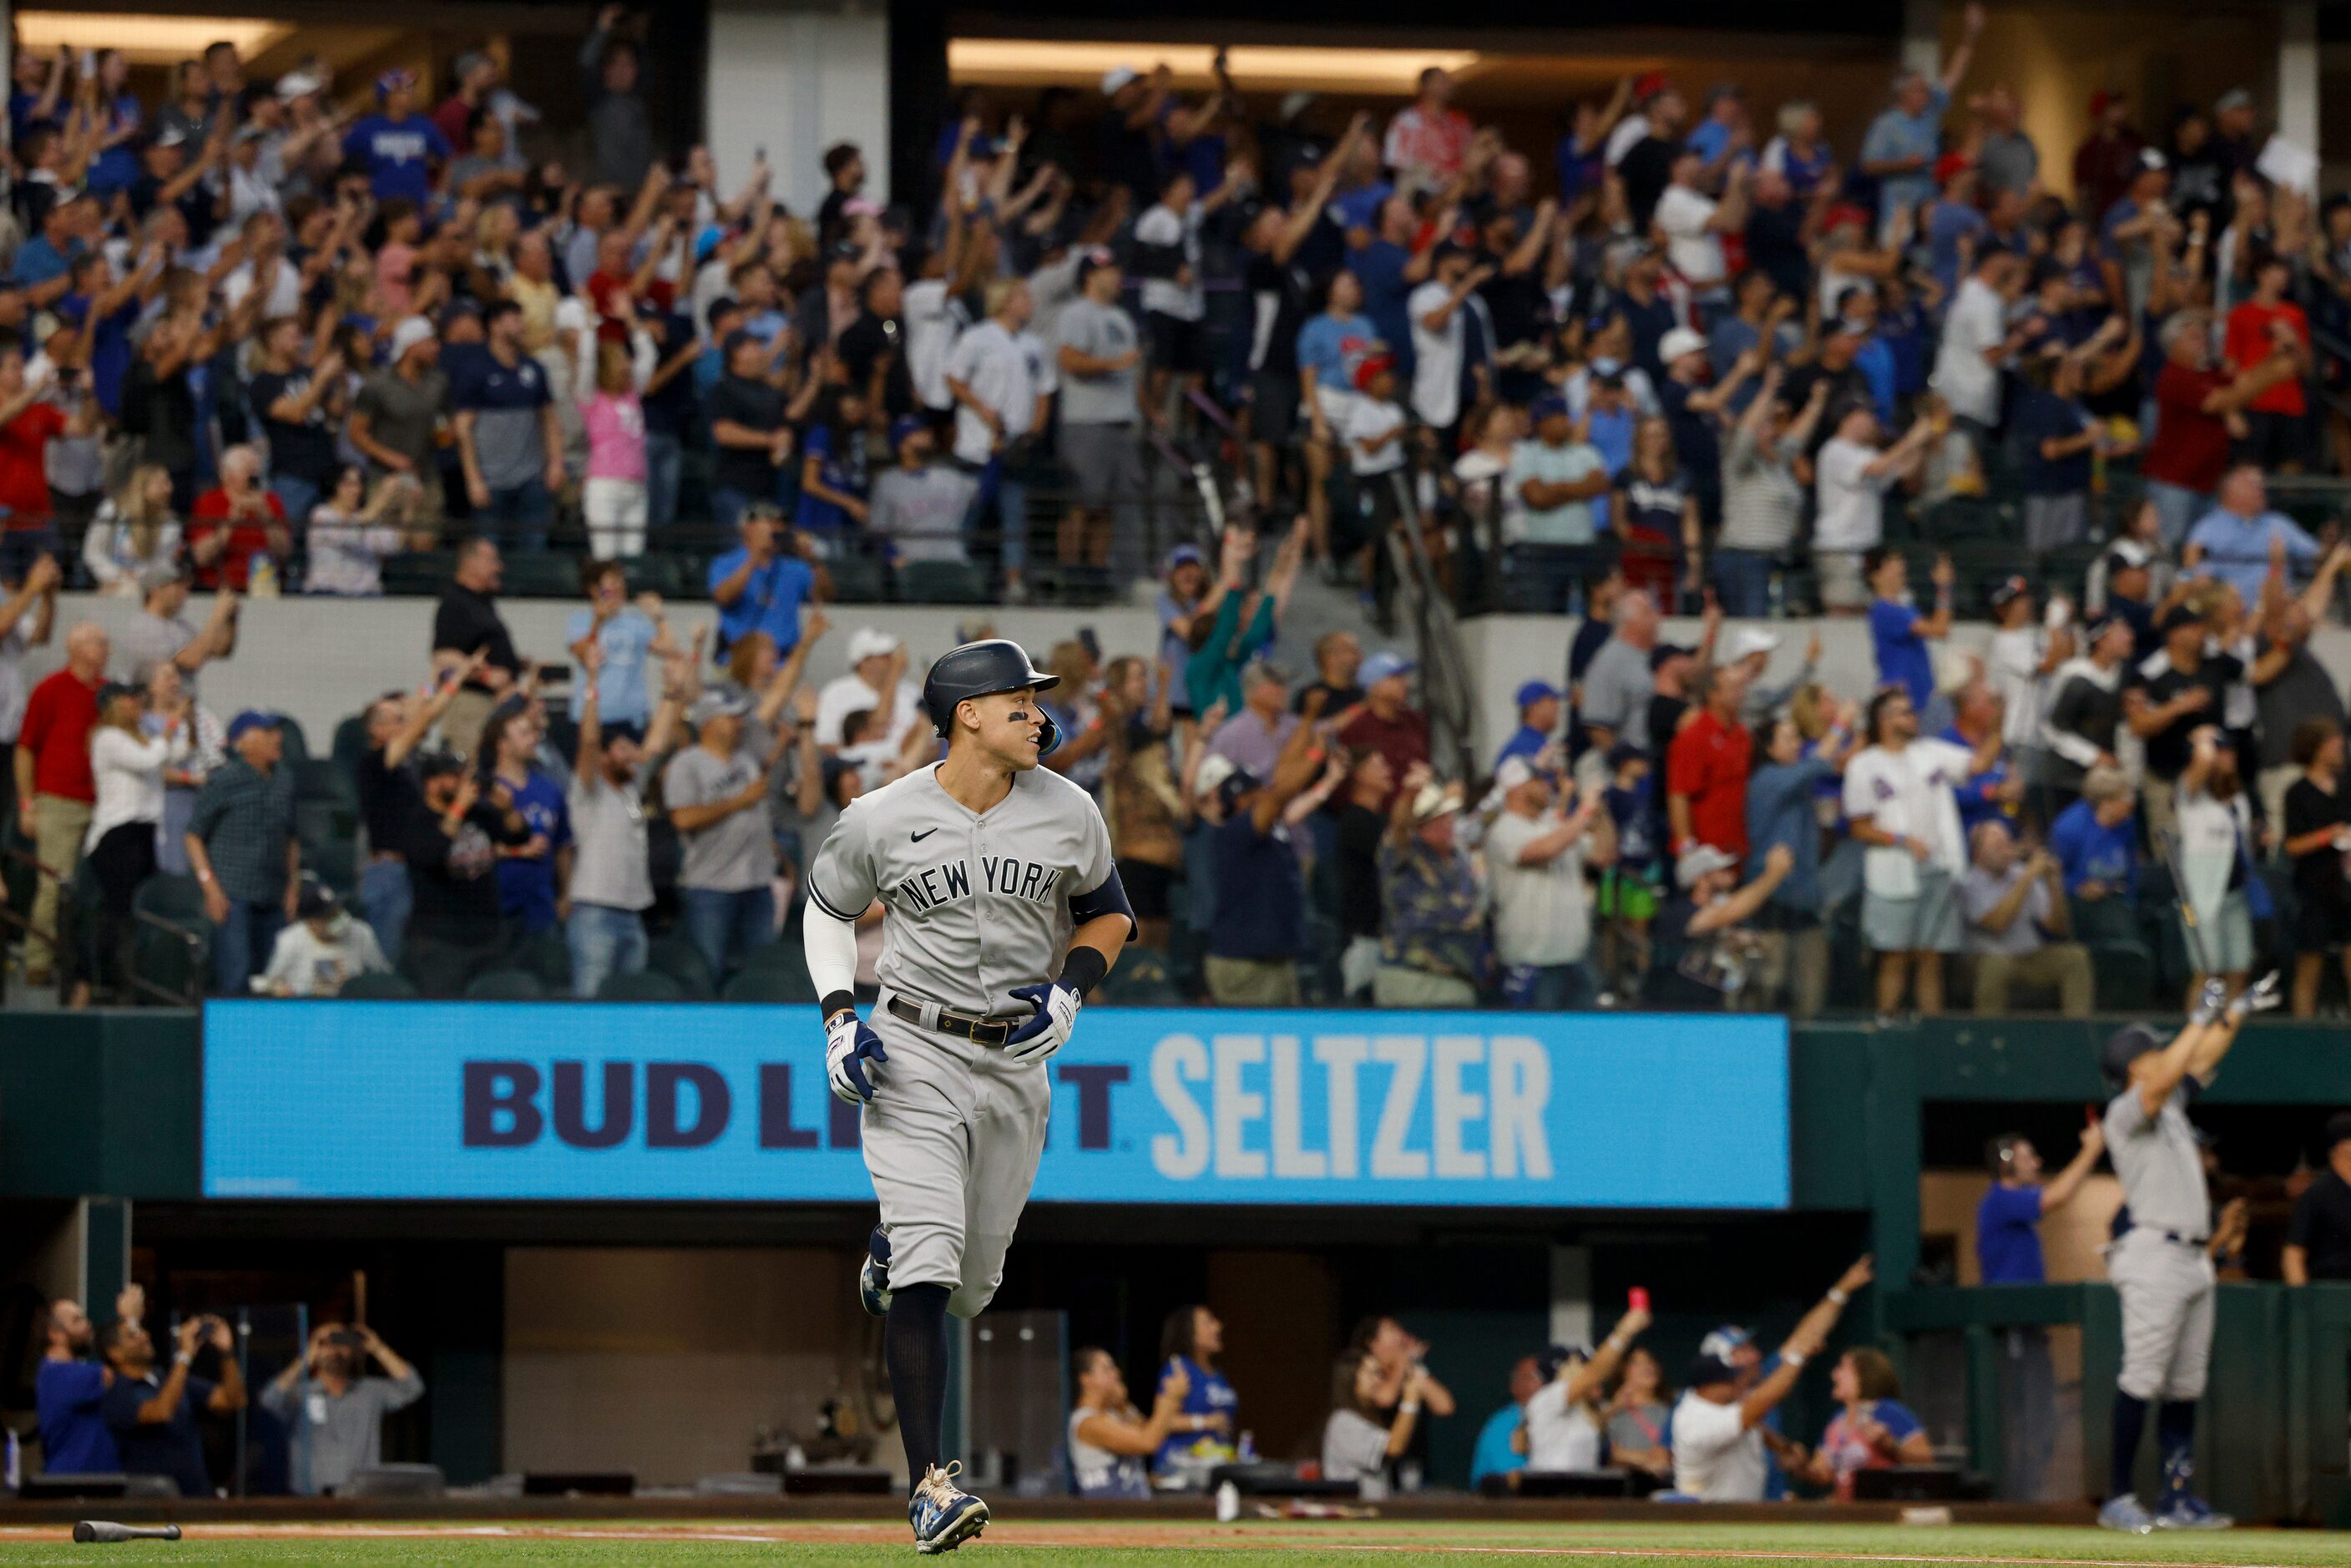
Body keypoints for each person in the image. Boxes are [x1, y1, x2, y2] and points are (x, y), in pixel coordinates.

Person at [804, 639, 1135, 1553]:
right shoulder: (881, 814)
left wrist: (1070, 988)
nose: (1036, 712)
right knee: (929, 1266)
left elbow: (1109, 910)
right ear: (968, 715)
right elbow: (828, 909)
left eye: (1035, 700)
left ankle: (888, 1250)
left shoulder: (1068, 808)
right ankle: (928, 1488)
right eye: (1019, 700)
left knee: (972, 1289)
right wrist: (838, 1019)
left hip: (1015, 1061)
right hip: (911, 1045)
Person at [2096, 974, 2280, 1532]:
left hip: (2194, 1257)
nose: (2161, 1055)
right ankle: (2118, 1496)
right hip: (2153, 1253)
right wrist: (2200, 1014)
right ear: (2135, 1065)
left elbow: (2197, 1059)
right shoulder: (2127, 1110)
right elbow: (2172, 1068)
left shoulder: (2170, 1100)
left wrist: (2237, 1012)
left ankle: (2177, 1498)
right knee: (2143, 1377)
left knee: (2185, 1385)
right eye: (2151, 1052)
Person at [1671, 1256, 1873, 1500]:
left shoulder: (1741, 1389)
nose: (1754, 1355)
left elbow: (1803, 1339)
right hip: (1707, 1517)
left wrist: (1841, 1291)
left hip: (1753, 1508)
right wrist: (1799, 1357)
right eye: (1742, 1351)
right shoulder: (1694, 1415)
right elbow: (1756, 1408)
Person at [566, 636, 690, 997]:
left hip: (632, 914)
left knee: (628, 1002)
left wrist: (671, 693)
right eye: (622, 749)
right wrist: (591, 683)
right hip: (594, 912)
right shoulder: (588, 790)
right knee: (589, 1001)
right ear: (604, 757)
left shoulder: (630, 790)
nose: (632, 755)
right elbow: (589, 741)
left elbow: (656, 743)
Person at [1846, 688, 1972, 1018]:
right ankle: (1886, 1027)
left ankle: (1932, 1034)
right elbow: (1858, 826)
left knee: (1930, 957)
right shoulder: (1864, 764)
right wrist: (1901, 839)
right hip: (1893, 874)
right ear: (1885, 720)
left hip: (1937, 868)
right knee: (1895, 956)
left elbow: (1979, 763)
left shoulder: (1928, 753)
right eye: (1905, 712)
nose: (1914, 718)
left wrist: (2001, 723)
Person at [668, 690, 785, 978]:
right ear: (708, 722)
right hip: (712, 885)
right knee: (708, 970)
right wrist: (738, 801)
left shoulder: (745, 761)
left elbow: (758, 817)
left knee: (761, 971)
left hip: (757, 882)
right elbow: (682, 818)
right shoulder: (687, 764)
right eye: (730, 718)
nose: (738, 723)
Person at [14, 619, 105, 984]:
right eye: (100, 643)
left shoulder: (108, 695)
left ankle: (86, 965)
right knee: (55, 885)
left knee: (93, 891)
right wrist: (27, 803)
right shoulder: (49, 690)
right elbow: (25, 749)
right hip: (59, 801)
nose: (107, 649)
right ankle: (38, 962)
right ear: (80, 649)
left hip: (102, 805)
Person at [398, 750, 533, 996]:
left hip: (487, 937)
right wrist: (458, 808)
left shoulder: (477, 814)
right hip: (440, 942)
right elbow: (430, 854)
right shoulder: (417, 819)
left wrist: (507, 810)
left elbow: (519, 835)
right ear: (431, 783)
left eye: (463, 775)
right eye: (453, 776)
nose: (462, 781)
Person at [85, 680, 187, 1002]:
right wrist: (171, 724)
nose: (136, 704)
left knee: (138, 912)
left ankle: (136, 981)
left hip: (143, 834)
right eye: (129, 700)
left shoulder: (141, 737)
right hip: (118, 835)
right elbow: (149, 760)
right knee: (121, 913)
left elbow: (175, 752)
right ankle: (113, 983)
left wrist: (185, 723)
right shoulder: (107, 738)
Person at [185, 710, 299, 996]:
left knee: (272, 978)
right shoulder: (224, 779)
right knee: (236, 974)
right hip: (232, 895)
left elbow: (291, 837)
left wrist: (292, 885)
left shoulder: (285, 780)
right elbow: (193, 834)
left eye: (276, 731)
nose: (277, 738)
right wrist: (209, 886)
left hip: (272, 894)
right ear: (242, 743)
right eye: (267, 732)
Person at [1488, 757, 1610, 1009]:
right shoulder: (1504, 829)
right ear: (1518, 787)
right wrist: (1583, 812)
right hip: (1532, 962)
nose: (1548, 786)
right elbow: (1545, 850)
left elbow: (1603, 854)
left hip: (1575, 958)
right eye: (1539, 781)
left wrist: (1601, 812)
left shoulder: (1553, 825)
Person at [256, 1322, 423, 1496]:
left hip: (360, 1498)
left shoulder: (370, 1392)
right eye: (325, 1343)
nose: (334, 1349)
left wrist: (377, 1348)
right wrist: (306, 1358)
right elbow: (269, 1399)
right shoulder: (300, 1395)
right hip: (309, 1499)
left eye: (341, 1341)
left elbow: (413, 1387)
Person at [452, 297, 565, 552]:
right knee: (489, 550)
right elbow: (463, 428)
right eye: (514, 320)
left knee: (533, 552)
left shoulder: (534, 369)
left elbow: (548, 419)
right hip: (492, 480)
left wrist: (556, 462)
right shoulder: (475, 370)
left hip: (531, 478)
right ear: (495, 326)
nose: (521, 326)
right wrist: (473, 479)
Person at [100, 1313, 247, 1498]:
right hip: (150, 1503)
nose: (144, 1336)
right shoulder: (116, 1392)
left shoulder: (168, 1380)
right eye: (132, 1335)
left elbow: (233, 1401)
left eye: (142, 1331)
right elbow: (162, 1412)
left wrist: (226, 1352)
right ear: (115, 1353)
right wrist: (184, 1355)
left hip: (196, 1496)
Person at [1962, 821, 2096, 1016]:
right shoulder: (1970, 881)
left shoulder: (2020, 872)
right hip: (1986, 957)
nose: (2005, 850)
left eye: (2007, 844)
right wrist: (2027, 877)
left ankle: (2077, 1030)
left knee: (2075, 957)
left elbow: (2056, 927)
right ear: (1978, 852)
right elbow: (1997, 923)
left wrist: (2053, 883)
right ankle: (1989, 1035)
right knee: (1996, 965)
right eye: (1997, 846)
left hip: (2029, 956)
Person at [1376, 771, 1485, 1008]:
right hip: (1413, 976)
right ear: (1420, 825)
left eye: (1448, 816)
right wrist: (1408, 795)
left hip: (1459, 977)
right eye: (1437, 819)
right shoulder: (1405, 853)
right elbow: (1399, 827)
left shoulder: (1457, 857)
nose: (1447, 823)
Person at [2175, 726, 2261, 1000]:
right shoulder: (2190, 795)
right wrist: (2201, 739)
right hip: (2199, 898)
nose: (2228, 757)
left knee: (2239, 969)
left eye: (2229, 751)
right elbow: (2201, 763)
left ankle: (2229, 1036)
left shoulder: (2239, 799)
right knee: (2207, 972)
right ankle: (2196, 1036)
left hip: (2235, 895)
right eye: (2221, 752)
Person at [1788, 1348, 1934, 1501]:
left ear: (1865, 1376)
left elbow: (1926, 1461)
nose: (1834, 1375)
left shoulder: (1889, 1412)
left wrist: (1891, 1447)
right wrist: (1801, 1467)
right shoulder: (1836, 1421)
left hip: (1883, 1512)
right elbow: (1822, 1474)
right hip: (1849, 1514)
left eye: (1843, 1368)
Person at [1524, 1302, 1651, 1470]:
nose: (1598, 1380)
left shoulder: (1581, 1410)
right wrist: (1624, 1331)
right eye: (1583, 1367)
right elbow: (1595, 1373)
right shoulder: (1548, 1398)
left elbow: (1583, 1423)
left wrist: (1614, 1408)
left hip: (1578, 1491)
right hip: (1551, 1491)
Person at [429, 538, 523, 760]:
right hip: (470, 706)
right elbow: (443, 658)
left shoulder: (482, 602)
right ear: (470, 563)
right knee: (476, 766)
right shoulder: (455, 603)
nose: (499, 567)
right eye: (492, 561)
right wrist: (487, 675)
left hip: (492, 705)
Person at [2284, 721, 2351, 1018]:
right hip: (2314, 890)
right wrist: (2328, 835)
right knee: (2309, 965)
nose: (2341, 748)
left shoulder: (2346, 786)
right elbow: (2292, 846)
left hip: (2347, 886)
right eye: (2334, 742)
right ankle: (2303, 1036)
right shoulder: (2298, 793)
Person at [1068, 1348, 1188, 1500]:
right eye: (1107, 1369)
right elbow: (1147, 1442)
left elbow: (1152, 1430)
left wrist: (1124, 1406)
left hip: (1132, 1511)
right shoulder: (1087, 1422)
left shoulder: (1113, 1414)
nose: (1116, 1373)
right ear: (1086, 1379)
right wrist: (1170, 1397)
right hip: (1108, 1516)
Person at [36, 1291, 124, 1474]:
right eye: (77, 1321)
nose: (87, 1325)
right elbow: (107, 1374)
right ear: (55, 1334)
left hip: (93, 1481)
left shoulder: (70, 1370)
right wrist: (129, 1319)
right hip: (71, 1482)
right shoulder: (55, 1374)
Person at [1151, 1303, 1238, 1485]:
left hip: (1215, 1460)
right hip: (1180, 1465)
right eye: (1208, 1323)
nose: (1217, 1327)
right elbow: (1162, 1421)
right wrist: (1204, 1422)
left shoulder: (1218, 1375)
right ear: (1190, 1333)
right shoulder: (1178, 1370)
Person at [259, 880, 390, 997]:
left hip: (352, 1008)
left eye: (335, 912)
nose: (335, 920)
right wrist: (281, 991)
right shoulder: (289, 940)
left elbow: (384, 976)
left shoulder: (361, 932)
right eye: (327, 917)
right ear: (310, 922)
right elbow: (270, 983)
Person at [1322, 1352, 1433, 1490]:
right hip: (1355, 1509)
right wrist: (1411, 1399)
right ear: (1350, 1378)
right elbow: (1393, 1447)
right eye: (1372, 1374)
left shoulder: (1366, 1418)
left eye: (1379, 1374)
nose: (1378, 1380)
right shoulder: (1343, 1421)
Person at [2283, 1113, 2351, 1285]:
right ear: (2342, 1147)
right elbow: (2294, 1252)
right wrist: (2301, 1301)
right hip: (2329, 1295)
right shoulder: (2318, 1193)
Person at [1606, 1348, 1675, 1485]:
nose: (1647, 1367)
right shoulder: (1612, 1413)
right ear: (1623, 1372)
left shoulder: (1673, 1412)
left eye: (1650, 1361)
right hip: (1625, 1491)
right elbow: (1612, 1455)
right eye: (1636, 1363)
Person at [1469, 1357, 1540, 1490]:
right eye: (1535, 1377)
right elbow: (1510, 1477)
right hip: (1502, 1504)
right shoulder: (1502, 1423)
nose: (1544, 1384)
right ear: (1515, 1387)